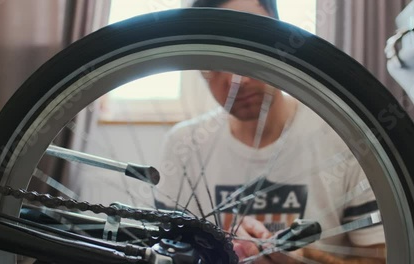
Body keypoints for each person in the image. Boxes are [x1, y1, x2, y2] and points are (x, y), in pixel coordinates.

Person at [156, 0, 386, 263]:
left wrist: (306, 259)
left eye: (249, 49)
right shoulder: (182, 146)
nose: (236, 80)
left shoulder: (345, 139)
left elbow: (385, 258)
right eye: (216, 58)